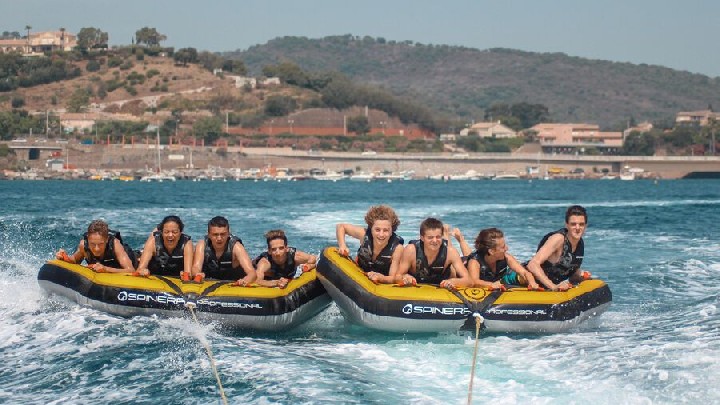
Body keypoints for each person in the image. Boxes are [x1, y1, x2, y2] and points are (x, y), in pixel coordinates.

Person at [526, 205, 590, 291]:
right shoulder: (558, 239)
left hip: (545, 287)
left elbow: (569, 272)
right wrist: (553, 287)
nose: (577, 228)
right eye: (573, 224)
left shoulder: (580, 243)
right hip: (522, 279)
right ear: (566, 225)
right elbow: (532, 265)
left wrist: (580, 275)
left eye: (581, 224)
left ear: (586, 226)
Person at [395, 217, 472, 289]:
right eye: (430, 237)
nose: (435, 240)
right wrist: (405, 277)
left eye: (438, 237)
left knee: (468, 259)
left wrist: (453, 281)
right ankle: (446, 232)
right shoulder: (411, 250)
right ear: (422, 238)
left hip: (448, 273)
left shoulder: (451, 252)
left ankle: (459, 238)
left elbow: (469, 281)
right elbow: (397, 276)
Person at [336, 205, 405, 284]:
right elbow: (341, 227)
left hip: (379, 282)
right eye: (377, 230)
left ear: (392, 231)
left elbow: (393, 277)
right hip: (358, 271)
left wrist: (381, 278)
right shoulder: (363, 234)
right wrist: (342, 245)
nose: (381, 234)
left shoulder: (397, 249)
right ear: (371, 228)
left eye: (385, 230)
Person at [190, 216, 256, 286]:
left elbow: (252, 273)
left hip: (234, 283)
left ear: (228, 233)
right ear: (209, 234)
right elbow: (196, 267)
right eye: (215, 234)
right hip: (209, 282)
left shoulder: (236, 247)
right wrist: (197, 274)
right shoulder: (202, 245)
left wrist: (245, 280)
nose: (219, 238)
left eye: (223, 234)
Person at [467, 228, 539, 290]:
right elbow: (474, 282)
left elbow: (524, 272)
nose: (507, 248)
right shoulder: (474, 261)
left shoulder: (506, 257)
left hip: (497, 283)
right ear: (491, 251)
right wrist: (491, 285)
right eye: (503, 247)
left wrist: (532, 282)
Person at [56, 219, 136, 273]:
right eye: (93, 244)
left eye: (101, 244)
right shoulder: (84, 245)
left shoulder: (115, 245)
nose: (96, 249)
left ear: (107, 239)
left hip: (130, 258)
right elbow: (75, 260)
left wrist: (106, 269)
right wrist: (64, 258)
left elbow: (131, 270)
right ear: (88, 239)